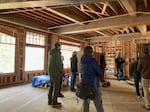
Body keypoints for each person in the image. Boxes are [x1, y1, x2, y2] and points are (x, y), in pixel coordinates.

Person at [80, 46, 104, 112]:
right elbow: (99, 72)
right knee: (98, 101)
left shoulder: (82, 60)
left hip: (84, 83)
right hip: (92, 83)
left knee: (85, 101)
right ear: (91, 52)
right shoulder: (92, 61)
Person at [48, 42, 63, 107]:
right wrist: (61, 70)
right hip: (56, 73)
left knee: (51, 86)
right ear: (58, 47)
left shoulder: (51, 53)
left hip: (51, 72)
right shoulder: (57, 54)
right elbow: (59, 64)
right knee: (56, 87)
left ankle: (49, 100)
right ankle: (54, 102)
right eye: (60, 46)